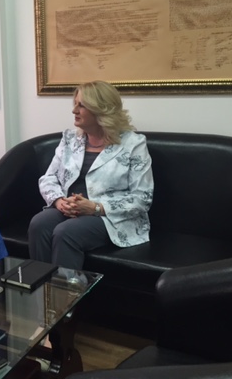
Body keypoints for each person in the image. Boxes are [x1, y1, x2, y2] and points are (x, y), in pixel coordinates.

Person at [28, 80, 154, 270]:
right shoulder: (70, 139)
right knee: (39, 224)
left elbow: (142, 198)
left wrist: (95, 208)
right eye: (75, 104)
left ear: (101, 110)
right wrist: (59, 201)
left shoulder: (133, 144)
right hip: (70, 208)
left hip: (110, 218)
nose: (74, 110)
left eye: (82, 105)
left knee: (66, 232)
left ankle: (65, 289)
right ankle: (42, 285)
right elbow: (49, 178)